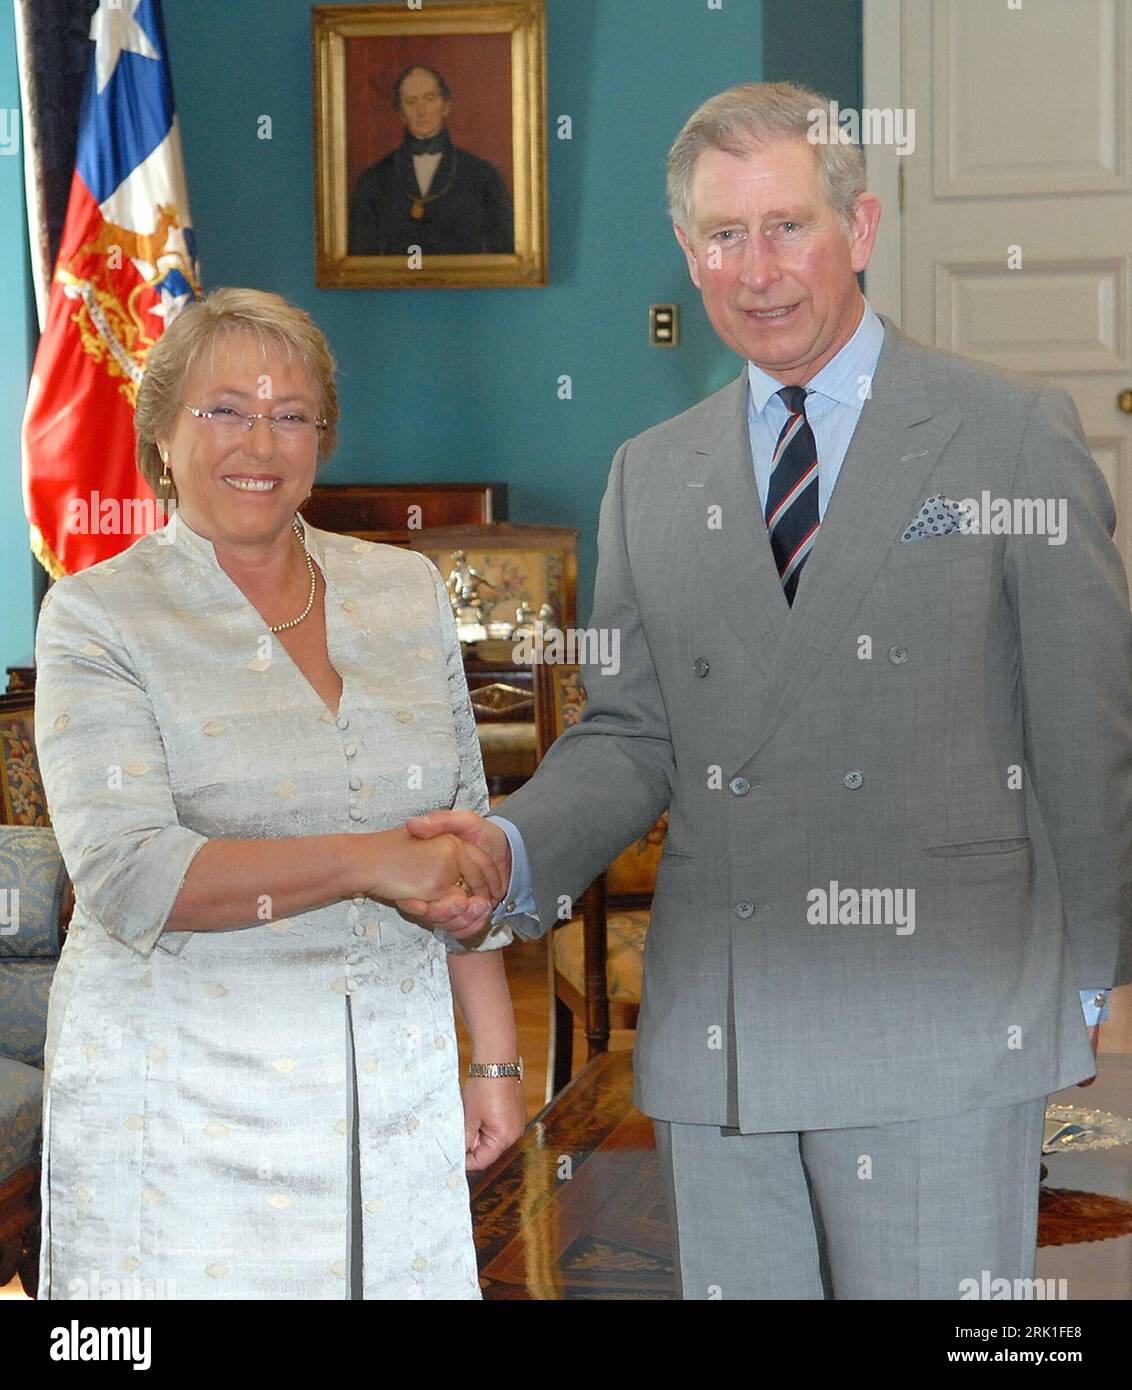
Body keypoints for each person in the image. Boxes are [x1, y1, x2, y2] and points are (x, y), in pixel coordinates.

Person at [405, 82, 1132, 1299]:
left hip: (942, 1011)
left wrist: (1093, 971)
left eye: (787, 226)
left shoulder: (1007, 432)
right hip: (724, 1024)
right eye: (724, 236)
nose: (757, 270)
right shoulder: (649, 473)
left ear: (861, 228)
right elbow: (629, 735)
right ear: (688, 252)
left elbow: (1084, 721)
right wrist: (510, 848)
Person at [33, 287, 525, 1300]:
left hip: (394, 1082)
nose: (260, 443)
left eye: (291, 414)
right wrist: (374, 860)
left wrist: (496, 1058)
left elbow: (465, 835)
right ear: (161, 432)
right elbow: (132, 877)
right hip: (182, 1100)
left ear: (322, 439)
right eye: (225, 409)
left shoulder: (405, 591)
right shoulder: (96, 617)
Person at [348, 64, 514, 256]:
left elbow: (505, 253)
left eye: (429, 98)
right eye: (411, 102)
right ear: (400, 113)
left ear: (446, 106)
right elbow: (360, 258)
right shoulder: (373, 180)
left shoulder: (483, 176)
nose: (421, 110)